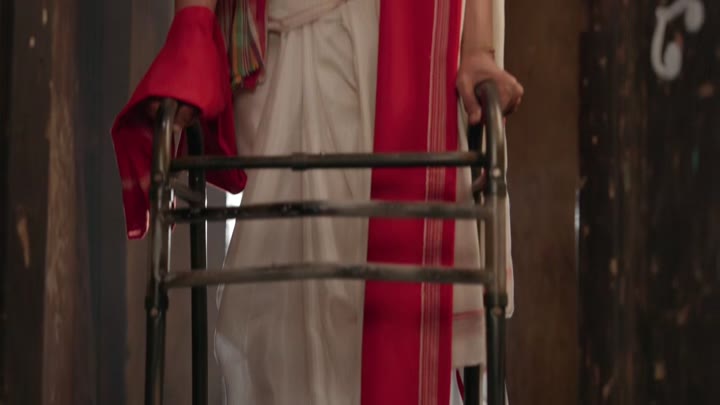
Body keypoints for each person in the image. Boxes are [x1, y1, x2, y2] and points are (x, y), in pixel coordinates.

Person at [114, 0, 523, 404]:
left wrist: (479, 49)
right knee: (286, 320)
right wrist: (193, 27)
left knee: (398, 304)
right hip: (288, 47)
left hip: (407, 48)